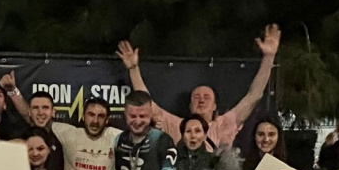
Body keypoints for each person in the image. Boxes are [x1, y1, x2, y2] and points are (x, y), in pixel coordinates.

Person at [116, 25, 280, 149]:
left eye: (206, 97)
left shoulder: (225, 124)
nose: (201, 100)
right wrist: (133, 69)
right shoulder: (175, 125)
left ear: (215, 106)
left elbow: (254, 96)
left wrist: (269, 57)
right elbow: (147, 103)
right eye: (196, 97)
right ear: (190, 105)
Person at [52, 97, 121, 170]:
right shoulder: (68, 134)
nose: (95, 121)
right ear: (83, 116)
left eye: (101, 116)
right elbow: (42, 123)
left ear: (107, 120)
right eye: (91, 114)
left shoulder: (116, 137)